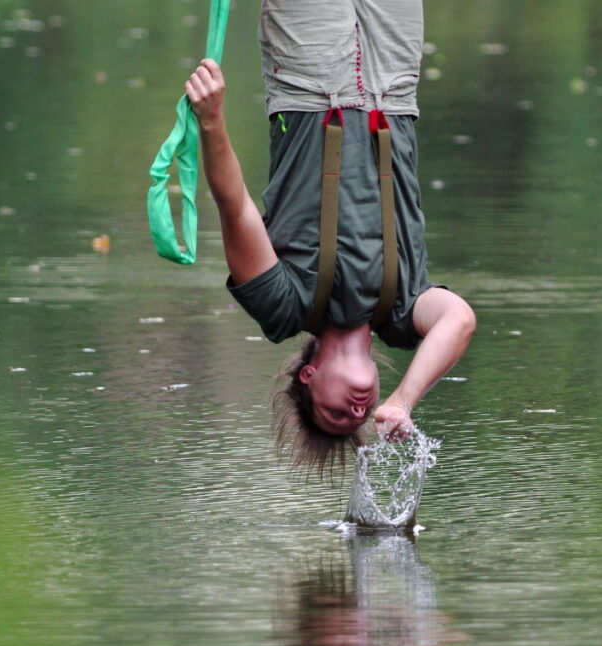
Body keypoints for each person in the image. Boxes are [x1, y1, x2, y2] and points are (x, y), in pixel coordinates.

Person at [184, 0, 475, 475]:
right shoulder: (402, 313)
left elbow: (234, 205)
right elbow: (459, 320)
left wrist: (213, 121)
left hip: (311, 80)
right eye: (358, 416)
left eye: (336, 412)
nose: (357, 410)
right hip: (395, 84)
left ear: (309, 376)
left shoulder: (284, 307)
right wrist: (402, 403)